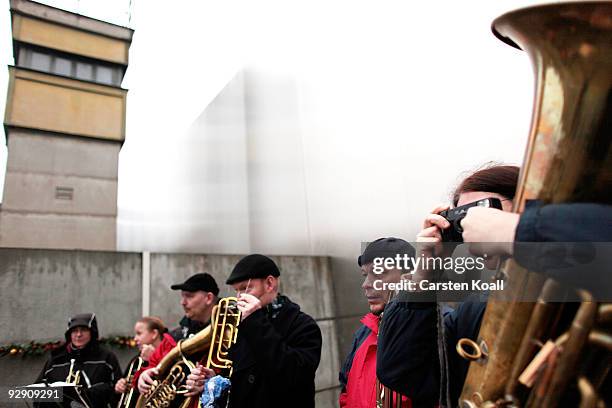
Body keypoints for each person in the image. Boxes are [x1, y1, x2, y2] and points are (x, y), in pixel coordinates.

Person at [376, 164, 519, 407]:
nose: (476, 230)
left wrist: (523, 235)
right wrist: (423, 277)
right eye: (465, 221)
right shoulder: (477, 308)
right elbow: (403, 372)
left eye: (485, 212)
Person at [186, 254, 323, 408]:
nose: (239, 298)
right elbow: (239, 379)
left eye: (245, 288)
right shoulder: (243, 325)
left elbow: (293, 376)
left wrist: (256, 321)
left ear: (269, 284)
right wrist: (213, 381)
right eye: (236, 291)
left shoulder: (304, 325)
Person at [339, 237, 414, 408]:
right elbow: (346, 391)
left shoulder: (438, 328)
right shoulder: (364, 333)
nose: (366, 284)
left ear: (409, 277)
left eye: (379, 272)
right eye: (365, 275)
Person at [137, 273, 219, 394]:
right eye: (182, 296)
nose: (183, 302)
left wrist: (211, 384)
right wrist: (144, 375)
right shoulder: (176, 335)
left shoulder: (227, 333)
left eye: (189, 296)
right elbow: (154, 363)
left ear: (209, 298)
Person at [34, 313, 122, 408]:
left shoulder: (106, 358)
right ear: (69, 334)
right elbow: (37, 392)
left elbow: (118, 389)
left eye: (83, 330)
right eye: (75, 331)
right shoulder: (55, 360)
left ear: (92, 332)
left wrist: (91, 393)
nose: (79, 334)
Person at [114, 316, 171, 399]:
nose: (135, 338)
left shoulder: (169, 354)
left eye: (139, 333)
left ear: (154, 334)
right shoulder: (136, 361)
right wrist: (119, 387)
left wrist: (152, 358)